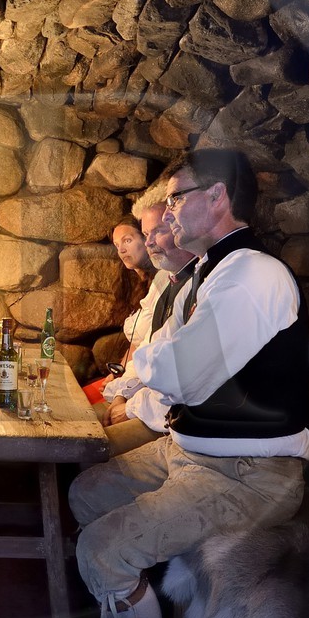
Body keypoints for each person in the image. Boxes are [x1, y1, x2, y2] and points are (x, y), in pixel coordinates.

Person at [69, 147, 309, 618]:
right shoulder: (207, 273)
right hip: (189, 451)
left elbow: (183, 372)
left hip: (248, 473)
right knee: (86, 493)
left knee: (102, 549)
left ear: (218, 197)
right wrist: (143, 370)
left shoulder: (253, 274)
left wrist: (141, 369)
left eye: (177, 197)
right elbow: (164, 361)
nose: (170, 211)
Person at [92, 182, 199, 457]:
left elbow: (180, 381)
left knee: (89, 448)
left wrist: (128, 405)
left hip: (169, 419)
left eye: (157, 231)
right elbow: (149, 351)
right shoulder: (167, 281)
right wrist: (121, 393)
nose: (150, 242)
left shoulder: (196, 283)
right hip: (141, 397)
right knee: (78, 420)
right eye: (148, 233)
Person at [82, 219, 156, 404]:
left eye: (127, 240)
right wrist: (117, 374)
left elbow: (147, 344)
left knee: (85, 406)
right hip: (129, 375)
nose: (121, 250)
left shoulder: (162, 285)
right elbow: (136, 342)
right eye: (117, 245)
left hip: (146, 383)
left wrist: (122, 386)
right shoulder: (136, 286)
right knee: (83, 396)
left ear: (146, 238)